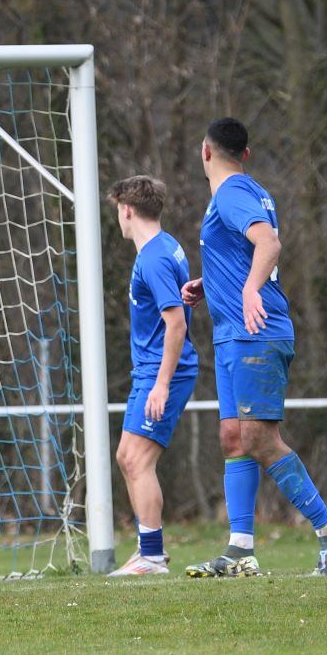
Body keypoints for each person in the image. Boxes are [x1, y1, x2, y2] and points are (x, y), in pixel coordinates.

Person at [181, 118, 327, 577]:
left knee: (259, 438)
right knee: (233, 436)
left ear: (205, 152)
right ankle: (240, 550)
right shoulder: (250, 191)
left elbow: (268, 243)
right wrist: (211, 283)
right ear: (246, 154)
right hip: (233, 334)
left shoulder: (232, 193)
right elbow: (244, 252)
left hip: (255, 332)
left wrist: (249, 289)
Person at [106, 176, 199, 576]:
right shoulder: (165, 246)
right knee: (127, 457)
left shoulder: (154, 259)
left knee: (137, 460)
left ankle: (153, 557)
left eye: (118, 210)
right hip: (151, 369)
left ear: (127, 210)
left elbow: (176, 323)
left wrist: (161, 384)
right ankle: (148, 551)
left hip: (163, 372)